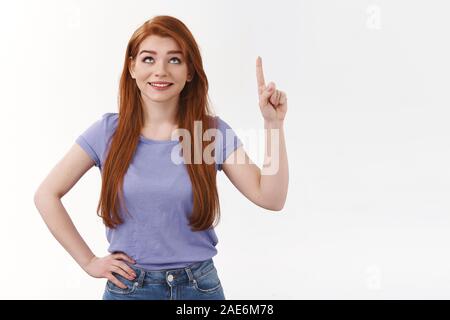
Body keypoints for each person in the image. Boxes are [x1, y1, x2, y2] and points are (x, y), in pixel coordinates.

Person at [33, 15, 289, 300]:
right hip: (129, 288)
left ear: (190, 71)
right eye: (148, 59)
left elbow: (271, 198)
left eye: (175, 60)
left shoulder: (207, 134)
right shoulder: (107, 133)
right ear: (132, 67)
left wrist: (273, 125)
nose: (161, 71)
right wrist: (88, 261)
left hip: (198, 289)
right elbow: (46, 194)